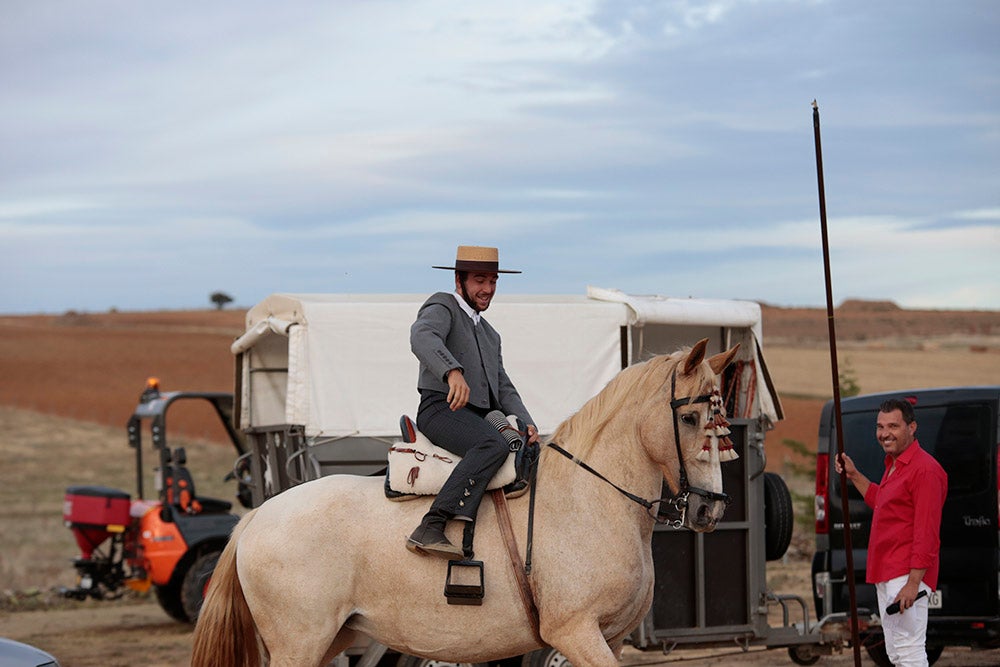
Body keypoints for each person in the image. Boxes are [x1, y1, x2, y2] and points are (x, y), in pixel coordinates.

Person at [406, 245, 539, 559]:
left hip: (480, 417)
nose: (488, 289)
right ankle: (431, 525)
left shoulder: (491, 335)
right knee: (492, 445)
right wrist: (451, 371)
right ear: (458, 280)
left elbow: (503, 385)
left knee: (530, 452)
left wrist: (527, 421)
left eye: (493, 281)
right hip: (441, 408)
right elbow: (422, 335)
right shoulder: (443, 305)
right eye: (480, 280)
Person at [836, 398, 948, 666]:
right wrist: (853, 474)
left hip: (905, 574)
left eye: (893, 426)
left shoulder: (925, 470)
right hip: (887, 571)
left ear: (912, 427)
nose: (885, 433)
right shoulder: (894, 465)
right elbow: (881, 501)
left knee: (909, 650)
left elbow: (927, 533)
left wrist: (912, 584)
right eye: (880, 426)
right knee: (896, 652)